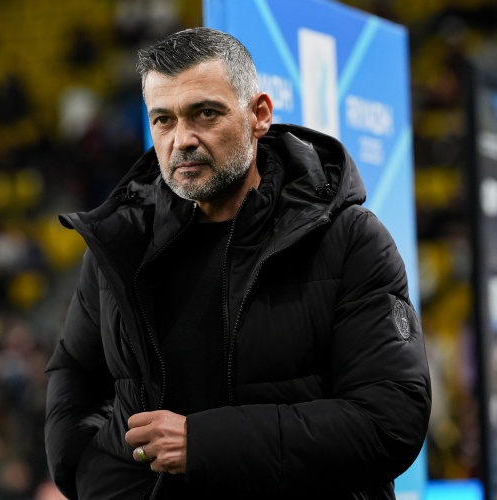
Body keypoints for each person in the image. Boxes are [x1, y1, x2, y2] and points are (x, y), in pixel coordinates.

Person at [44, 27, 431, 499]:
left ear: (259, 114)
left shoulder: (350, 239)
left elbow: (389, 420)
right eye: (163, 120)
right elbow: (76, 373)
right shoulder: (120, 241)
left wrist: (204, 443)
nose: (182, 139)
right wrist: (90, 474)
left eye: (205, 113)